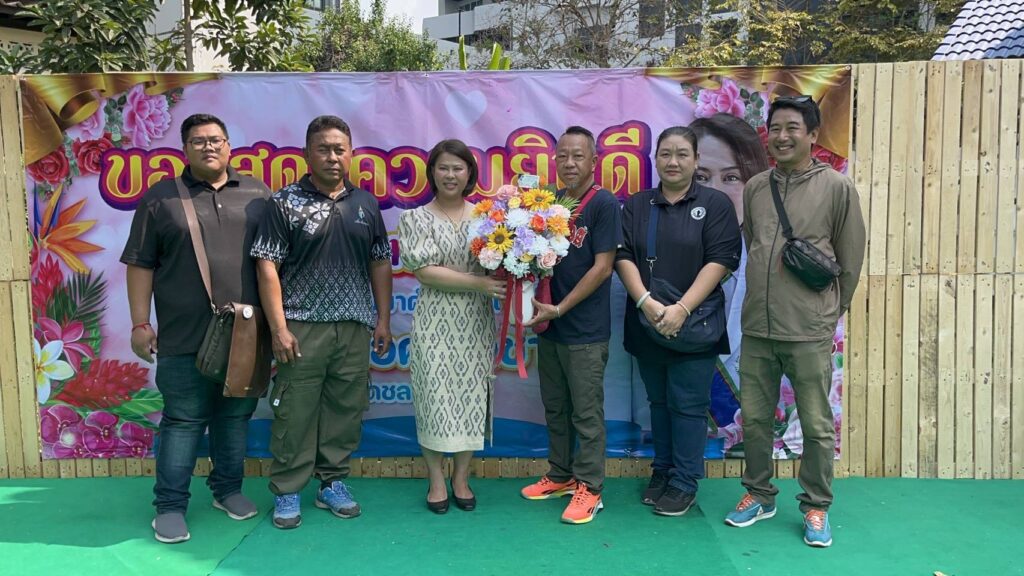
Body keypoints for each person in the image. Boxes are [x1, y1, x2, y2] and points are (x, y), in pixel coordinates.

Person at [121, 113, 270, 544]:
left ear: (229, 146)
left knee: (235, 419)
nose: (209, 147)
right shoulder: (161, 199)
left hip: (246, 335)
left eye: (216, 139)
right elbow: (140, 265)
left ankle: (227, 490)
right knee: (183, 421)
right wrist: (139, 323)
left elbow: (274, 264)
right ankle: (169, 507)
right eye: (199, 141)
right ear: (185, 149)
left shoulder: (258, 195)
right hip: (183, 336)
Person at [724, 96, 865, 548]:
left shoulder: (837, 188)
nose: (782, 137)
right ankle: (759, 494)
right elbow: (754, 243)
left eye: (792, 128)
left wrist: (830, 311)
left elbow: (851, 258)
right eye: (776, 128)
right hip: (757, 328)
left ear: (812, 135)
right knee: (756, 419)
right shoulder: (756, 188)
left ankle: (816, 505)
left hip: (809, 329)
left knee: (817, 425)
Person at [251, 115, 393, 530]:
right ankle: (288, 488)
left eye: (339, 149)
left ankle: (332, 483)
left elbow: (380, 261)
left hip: (353, 325)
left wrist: (382, 319)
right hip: (301, 327)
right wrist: (279, 328)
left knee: (345, 409)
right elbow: (267, 267)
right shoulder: (284, 202)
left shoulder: (365, 204)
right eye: (323, 149)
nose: (332, 157)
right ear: (306, 154)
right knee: (295, 410)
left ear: (351, 154)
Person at [615, 126, 741, 516]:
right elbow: (623, 256)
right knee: (658, 402)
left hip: (696, 323)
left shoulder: (715, 204)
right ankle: (663, 470)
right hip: (648, 319)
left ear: (696, 160)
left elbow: (720, 260)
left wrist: (681, 309)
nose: (673, 161)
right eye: (666, 153)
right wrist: (646, 302)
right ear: (655, 158)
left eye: (682, 154)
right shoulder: (638, 205)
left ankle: (685, 481)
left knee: (688, 405)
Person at [398, 139, 505, 514]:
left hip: (476, 322)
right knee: (433, 398)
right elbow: (426, 272)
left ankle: (461, 478)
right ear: (432, 173)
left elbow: (500, 264)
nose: (450, 175)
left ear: (469, 173)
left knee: (471, 397)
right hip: (435, 321)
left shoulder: (487, 218)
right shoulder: (415, 218)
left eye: (458, 168)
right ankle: (436, 479)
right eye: (443, 167)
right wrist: (478, 283)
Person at [521, 126, 622, 525]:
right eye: (562, 155)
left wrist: (561, 308)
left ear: (594, 161)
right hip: (551, 327)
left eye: (578, 156)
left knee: (586, 413)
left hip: (584, 330)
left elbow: (603, 268)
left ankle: (591, 487)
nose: (569, 163)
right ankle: (561, 475)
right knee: (556, 407)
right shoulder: (550, 203)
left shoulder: (603, 204)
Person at [689, 114, 771, 449]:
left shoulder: (771, 261)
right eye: (701, 177)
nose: (715, 191)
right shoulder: (657, 257)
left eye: (731, 177)